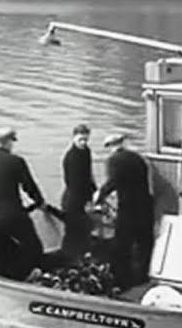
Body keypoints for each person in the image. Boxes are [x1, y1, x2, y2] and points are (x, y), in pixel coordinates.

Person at [0, 127, 46, 280]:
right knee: (33, 245)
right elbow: (29, 186)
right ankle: (24, 276)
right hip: (12, 214)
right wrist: (40, 201)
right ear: (8, 142)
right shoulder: (16, 161)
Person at [94, 134, 154, 291]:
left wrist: (99, 195)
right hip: (146, 205)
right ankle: (143, 277)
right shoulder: (138, 158)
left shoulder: (114, 161)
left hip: (128, 207)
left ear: (111, 146)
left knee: (122, 245)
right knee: (144, 243)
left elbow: (114, 181)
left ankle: (122, 280)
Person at [61, 124, 97, 259]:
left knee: (84, 230)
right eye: (80, 139)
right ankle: (68, 256)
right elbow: (72, 182)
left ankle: (80, 256)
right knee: (73, 231)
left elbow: (89, 174)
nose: (83, 143)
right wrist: (88, 199)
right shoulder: (70, 157)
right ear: (73, 138)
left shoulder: (86, 151)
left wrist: (95, 192)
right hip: (73, 198)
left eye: (86, 140)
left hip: (83, 197)